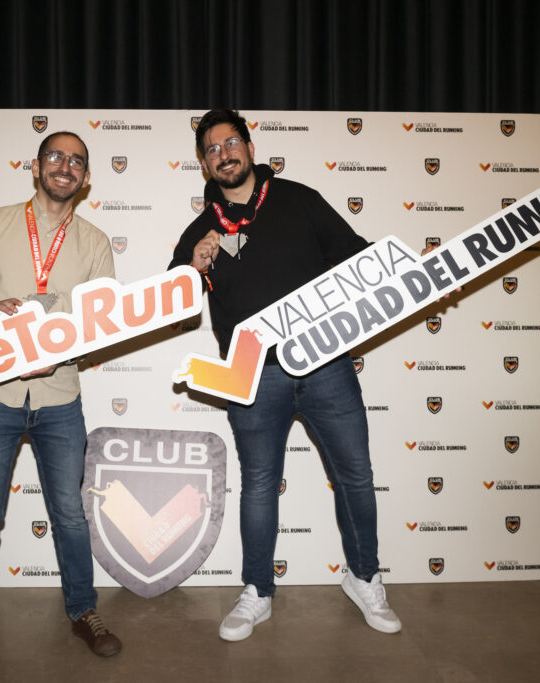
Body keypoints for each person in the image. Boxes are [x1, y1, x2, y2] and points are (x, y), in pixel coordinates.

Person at [169, 109, 402, 641]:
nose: (223, 154)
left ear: (250, 149)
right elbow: (171, 302)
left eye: (231, 142)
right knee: (258, 484)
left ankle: (364, 577)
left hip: (326, 363)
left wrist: (413, 277)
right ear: (204, 163)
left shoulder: (300, 199)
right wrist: (192, 267)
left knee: (355, 475)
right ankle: (257, 589)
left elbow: (356, 256)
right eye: (211, 149)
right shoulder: (200, 230)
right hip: (252, 376)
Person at [0, 131, 121, 668]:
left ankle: (84, 611)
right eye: (55, 156)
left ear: (86, 178)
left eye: (76, 161)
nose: (65, 166)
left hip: (59, 396)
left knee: (70, 515)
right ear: (36, 165)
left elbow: (101, 321)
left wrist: (62, 342)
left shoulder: (95, 242)